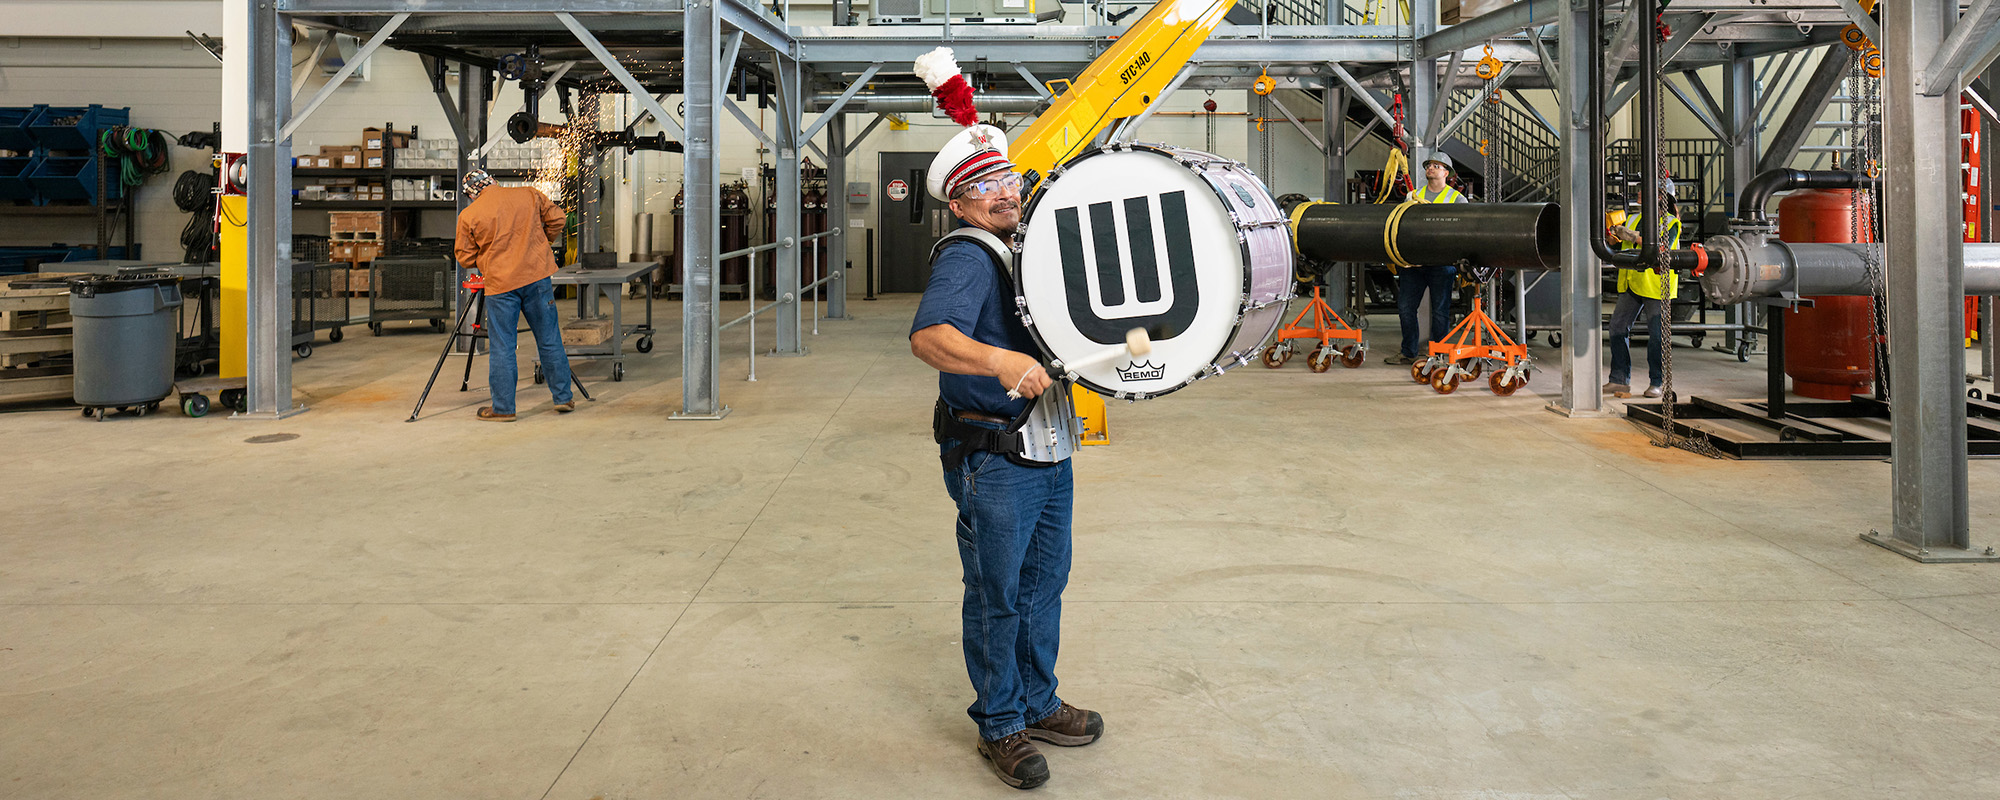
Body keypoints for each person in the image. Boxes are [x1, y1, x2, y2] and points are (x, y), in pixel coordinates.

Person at [908, 119, 1104, 790]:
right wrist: (1000, 361)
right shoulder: (968, 254)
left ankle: (1039, 702)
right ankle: (1000, 723)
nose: (1004, 193)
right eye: (983, 187)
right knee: (998, 593)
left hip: (1049, 449)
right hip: (993, 456)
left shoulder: (1022, 246)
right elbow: (930, 337)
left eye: (1008, 180)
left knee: (1044, 585)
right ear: (959, 204)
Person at [452, 169, 576, 421]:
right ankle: (563, 398)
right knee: (549, 339)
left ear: (471, 194)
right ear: (493, 181)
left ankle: (504, 408)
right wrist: (541, 244)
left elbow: (464, 257)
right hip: (537, 277)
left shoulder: (469, 214)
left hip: (501, 284)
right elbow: (558, 220)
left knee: (503, 347)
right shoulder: (528, 194)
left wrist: (490, 260)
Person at [1383, 152, 1469, 366]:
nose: (1431, 168)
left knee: (1441, 311)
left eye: (1437, 166)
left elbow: (1465, 230)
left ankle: (1439, 353)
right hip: (1413, 263)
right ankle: (1408, 352)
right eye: (1429, 165)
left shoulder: (1456, 199)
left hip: (1442, 264)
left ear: (1446, 173)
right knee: (1405, 308)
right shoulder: (1413, 196)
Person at [1605, 178, 1685, 399]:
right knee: (1617, 329)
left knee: (1657, 336)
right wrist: (1611, 236)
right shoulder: (1633, 218)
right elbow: (1616, 244)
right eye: (1641, 189)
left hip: (1656, 286)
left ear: (1662, 196)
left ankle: (1657, 382)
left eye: (1646, 190)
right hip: (1632, 282)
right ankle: (1619, 380)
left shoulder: (1670, 222)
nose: (1640, 193)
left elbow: (1661, 248)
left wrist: (1633, 237)